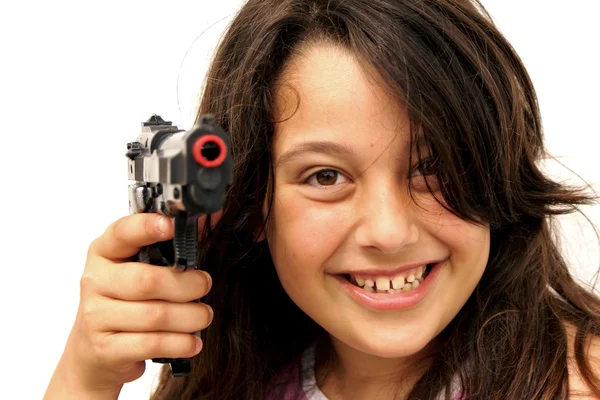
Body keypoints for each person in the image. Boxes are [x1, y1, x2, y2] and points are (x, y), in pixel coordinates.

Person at [44, 0, 600, 399]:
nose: (387, 231)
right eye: (326, 176)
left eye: (431, 168)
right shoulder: (236, 381)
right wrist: (86, 378)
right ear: (250, 199)